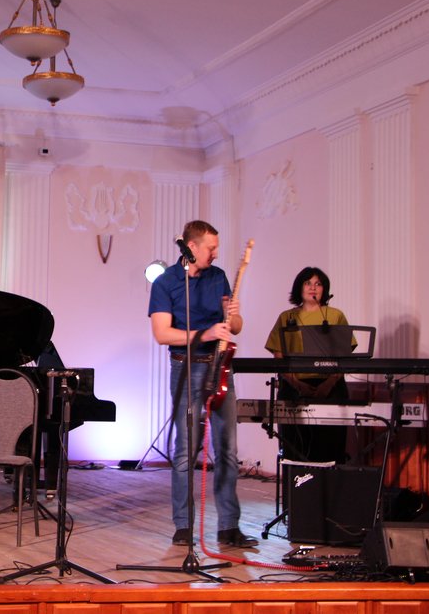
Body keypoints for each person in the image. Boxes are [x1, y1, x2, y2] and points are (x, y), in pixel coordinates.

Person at [147, 220, 258, 548]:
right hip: (185, 368)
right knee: (186, 450)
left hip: (220, 367)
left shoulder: (218, 276)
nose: (215, 253)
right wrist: (204, 334)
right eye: (211, 247)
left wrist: (232, 315)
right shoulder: (166, 282)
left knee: (227, 450)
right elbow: (162, 334)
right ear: (191, 247)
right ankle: (183, 525)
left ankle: (229, 526)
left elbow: (235, 326)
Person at [264, 267, 353, 463]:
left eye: (318, 284)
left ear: (324, 289)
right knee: (295, 446)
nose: (313, 288)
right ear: (299, 287)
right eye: (308, 283)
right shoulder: (287, 317)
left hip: (331, 388)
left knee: (330, 447)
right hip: (293, 387)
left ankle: (330, 481)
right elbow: (278, 355)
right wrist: (298, 384)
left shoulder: (335, 315)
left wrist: (328, 384)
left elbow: (345, 356)